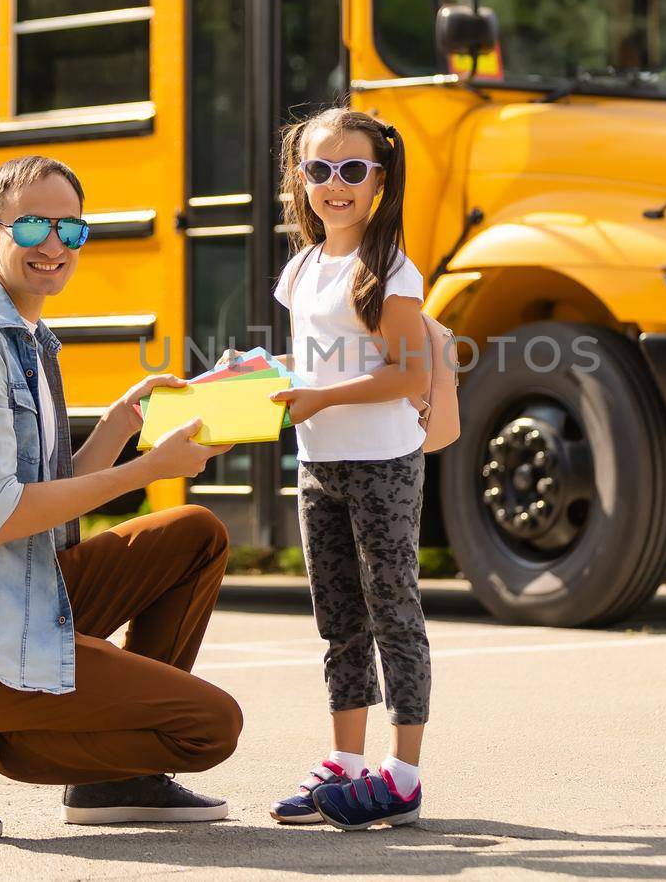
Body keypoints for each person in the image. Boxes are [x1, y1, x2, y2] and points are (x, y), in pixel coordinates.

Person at [0, 154, 240, 840]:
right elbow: (2, 517)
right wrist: (145, 472)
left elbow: (43, 491)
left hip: (21, 591)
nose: (53, 245)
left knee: (194, 532)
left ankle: (115, 783)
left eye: (71, 230)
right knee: (208, 727)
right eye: (34, 226)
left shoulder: (31, 337)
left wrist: (121, 428)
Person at [265, 108, 432, 830]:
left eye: (352, 171)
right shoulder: (303, 267)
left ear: (378, 182)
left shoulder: (391, 269)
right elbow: (310, 364)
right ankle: (345, 764)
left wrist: (319, 395)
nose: (335, 185)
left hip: (383, 463)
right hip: (320, 464)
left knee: (393, 610)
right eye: (319, 170)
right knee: (339, 620)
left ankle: (402, 775)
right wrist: (251, 381)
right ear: (300, 181)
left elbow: (408, 374)